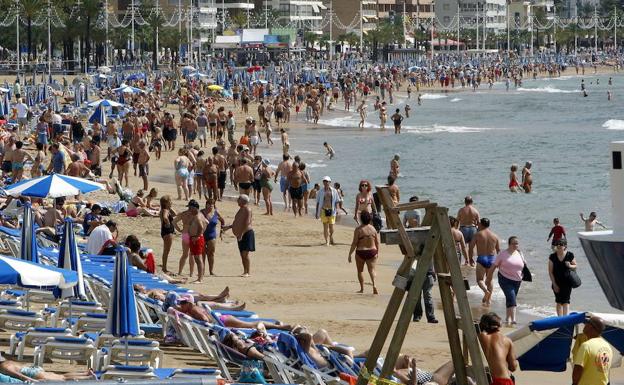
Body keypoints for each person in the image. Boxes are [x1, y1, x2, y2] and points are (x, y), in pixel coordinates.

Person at [478, 312, 517, 385]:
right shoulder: (507, 340)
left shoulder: (481, 337)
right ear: (499, 325)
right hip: (505, 381)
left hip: (490, 381)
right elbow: (513, 367)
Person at [572, 316, 612, 385]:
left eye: (587, 323)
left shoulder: (586, 346)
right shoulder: (608, 347)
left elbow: (578, 369)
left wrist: (574, 384)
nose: (585, 325)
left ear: (591, 327)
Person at [0, 353, 96, 382]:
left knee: (62, 379)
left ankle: (88, 377)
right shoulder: (7, 362)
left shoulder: (4, 366)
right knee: (61, 375)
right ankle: (85, 374)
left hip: (32, 374)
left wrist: (32, 381)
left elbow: (20, 376)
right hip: (34, 370)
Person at [493, 236, 525, 325]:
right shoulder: (502, 254)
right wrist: (488, 279)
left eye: (517, 243)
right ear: (509, 244)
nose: (515, 245)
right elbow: (494, 266)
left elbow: (523, 265)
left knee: (511, 298)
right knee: (512, 298)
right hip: (505, 279)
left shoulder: (520, 253)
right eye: (513, 243)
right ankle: (514, 319)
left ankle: (507, 318)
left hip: (517, 280)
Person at [469, 218, 500, 307]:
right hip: (492, 259)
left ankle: (486, 291)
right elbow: (498, 250)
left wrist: (470, 258)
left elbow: (471, 247)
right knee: (489, 280)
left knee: (479, 280)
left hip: (482, 258)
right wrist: (499, 262)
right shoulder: (495, 236)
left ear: (481, 225)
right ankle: (489, 300)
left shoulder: (477, 235)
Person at [348, 211, 380, 295]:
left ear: (361, 219)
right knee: (372, 270)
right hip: (372, 252)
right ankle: (374, 285)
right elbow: (377, 242)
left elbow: (354, 243)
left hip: (360, 252)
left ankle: (362, 289)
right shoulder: (373, 229)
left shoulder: (358, 229)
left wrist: (350, 254)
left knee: (360, 271)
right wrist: (377, 252)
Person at [223, 195, 254, 277]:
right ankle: (245, 271)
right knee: (241, 254)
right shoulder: (241, 209)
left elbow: (247, 223)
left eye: (239, 199)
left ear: (243, 201)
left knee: (245, 254)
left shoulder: (247, 209)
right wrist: (229, 227)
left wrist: (241, 233)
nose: (237, 201)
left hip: (246, 233)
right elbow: (238, 222)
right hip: (240, 234)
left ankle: (248, 272)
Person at [549, 238, 578, 316]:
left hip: (567, 282)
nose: (558, 246)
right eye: (557, 244)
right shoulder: (552, 256)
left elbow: (575, 266)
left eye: (561, 244)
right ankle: (560, 319)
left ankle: (565, 320)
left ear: (565, 246)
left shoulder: (569, 255)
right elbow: (550, 272)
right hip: (556, 282)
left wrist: (570, 265)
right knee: (558, 301)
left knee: (566, 301)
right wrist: (554, 284)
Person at [201, 199, 225, 276]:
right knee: (203, 253)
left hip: (212, 235)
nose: (211, 205)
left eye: (212, 204)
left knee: (211, 253)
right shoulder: (201, 212)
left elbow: (223, 221)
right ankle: (202, 271)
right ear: (206, 204)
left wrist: (221, 231)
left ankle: (211, 271)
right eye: (209, 204)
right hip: (202, 234)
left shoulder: (216, 212)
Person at [187, 199, 208, 283]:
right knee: (197, 258)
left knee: (198, 259)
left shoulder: (198, 216)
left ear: (195, 208)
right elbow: (206, 223)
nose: (189, 210)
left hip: (196, 239)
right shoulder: (200, 215)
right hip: (195, 238)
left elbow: (201, 227)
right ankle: (200, 277)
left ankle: (200, 279)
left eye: (190, 208)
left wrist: (198, 236)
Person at [315, 176, 340, 246]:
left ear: (330, 182)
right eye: (324, 181)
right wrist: (317, 212)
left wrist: (337, 209)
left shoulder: (334, 191)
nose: (325, 183)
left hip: (332, 210)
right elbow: (317, 202)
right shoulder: (320, 191)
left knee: (331, 227)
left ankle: (331, 236)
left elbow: (337, 201)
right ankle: (327, 241)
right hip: (323, 210)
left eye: (327, 181)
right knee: (325, 227)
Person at [457, 195, 479, 264]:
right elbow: (478, 222)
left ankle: (466, 260)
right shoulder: (475, 211)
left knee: (463, 246)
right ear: (472, 202)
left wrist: (456, 230)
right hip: (473, 229)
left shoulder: (461, 210)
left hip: (463, 228)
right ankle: (471, 260)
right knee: (471, 246)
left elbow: (457, 221)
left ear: (465, 202)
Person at [159, 195, 177, 274]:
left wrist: (170, 207)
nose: (171, 202)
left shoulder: (165, 209)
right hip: (167, 232)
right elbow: (165, 217)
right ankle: (164, 268)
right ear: (166, 203)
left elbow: (174, 214)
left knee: (166, 250)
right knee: (166, 251)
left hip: (165, 231)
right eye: (170, 201)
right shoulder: (165, 210)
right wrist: (168, 223)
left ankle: (164, 267)